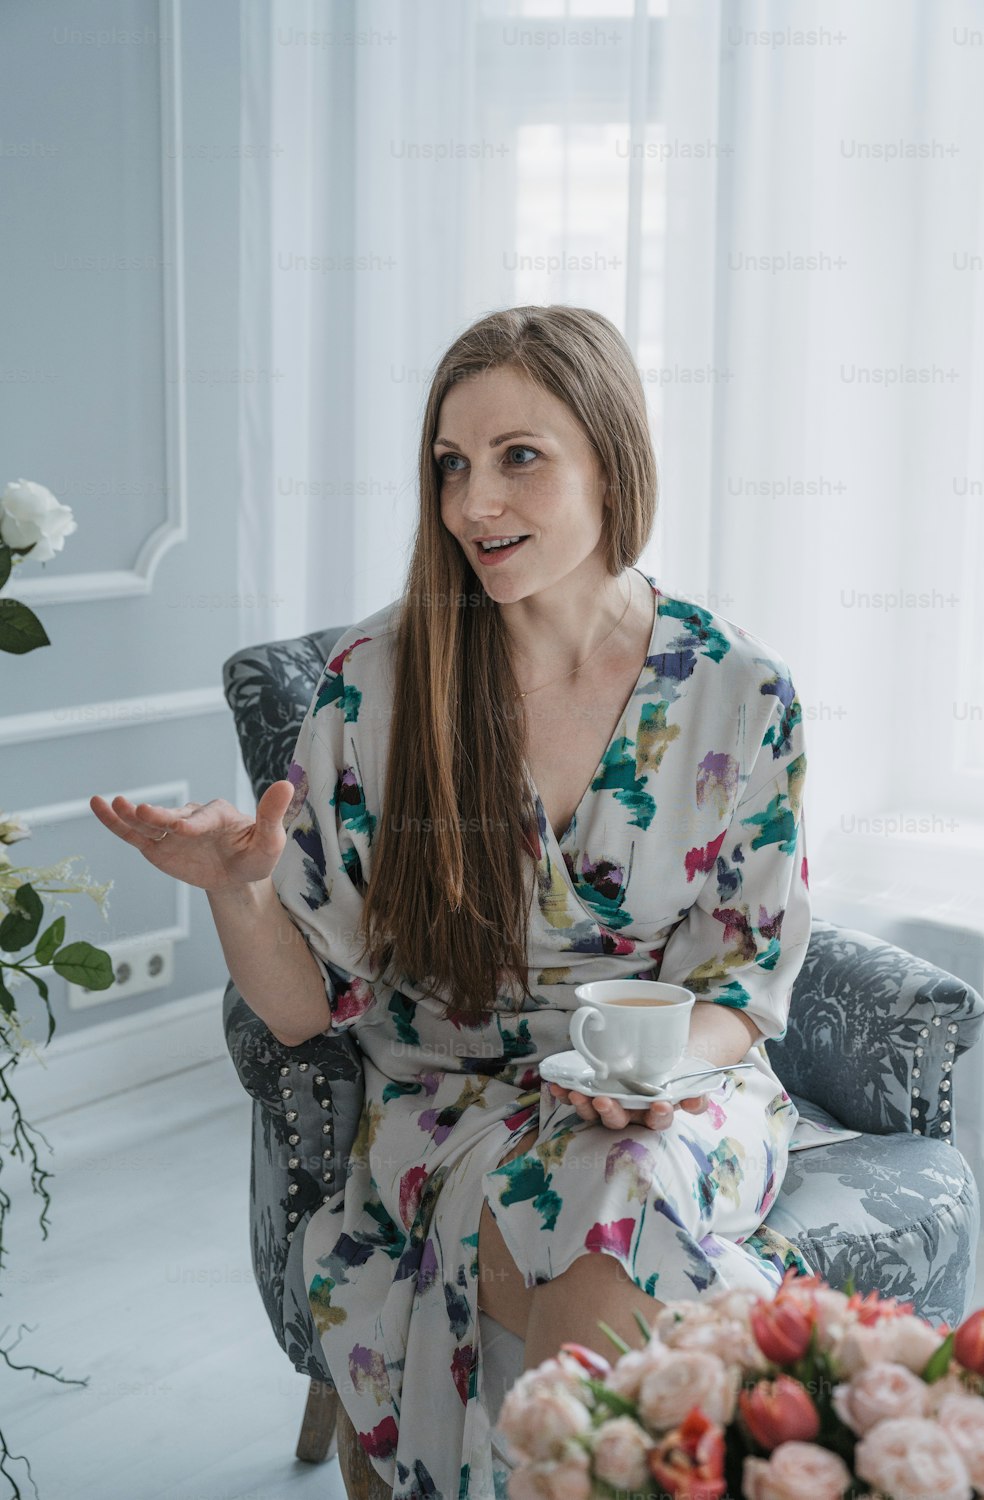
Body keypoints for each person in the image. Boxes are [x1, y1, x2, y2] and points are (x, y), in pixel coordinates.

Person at [91, 304, 814, 1500]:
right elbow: (296, 1013)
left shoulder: (741, 693)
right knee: (601, 1222)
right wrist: (241, 890)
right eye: (451, 465)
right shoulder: (376, 686)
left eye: (518, 457)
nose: (474, 502)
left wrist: (634, 1080)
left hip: (682, 1092)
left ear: (610, 457)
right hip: (452, 1096)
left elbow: (745, 977)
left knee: (613, 1176)